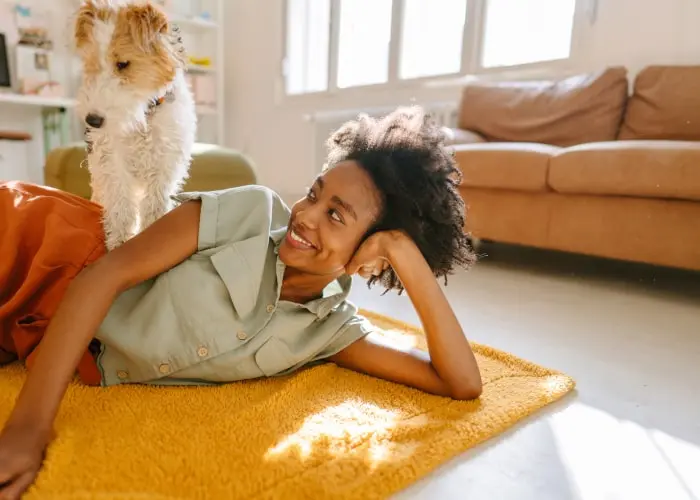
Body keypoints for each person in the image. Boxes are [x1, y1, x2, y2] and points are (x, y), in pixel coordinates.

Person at [0, 107, 481, 498]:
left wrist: (405, 257)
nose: (306, 215)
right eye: (314, 194)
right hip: (43, 250)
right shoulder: (252, 211)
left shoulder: (330, 333)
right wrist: (29, 428)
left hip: (39, 330)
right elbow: (101, 278)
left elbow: (459, 383)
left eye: (335, 215)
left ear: (371, 255)